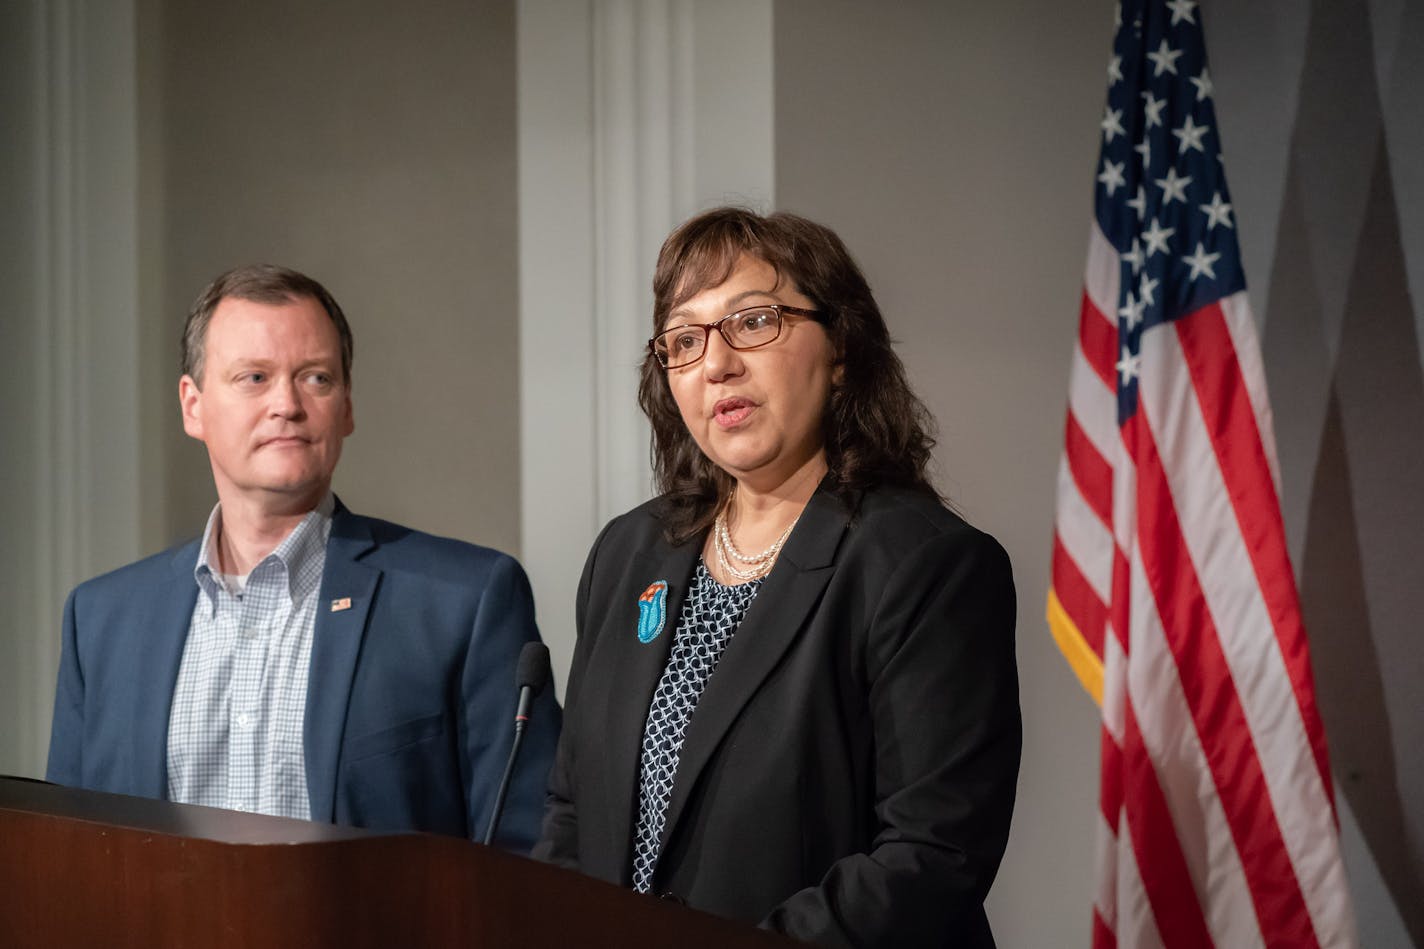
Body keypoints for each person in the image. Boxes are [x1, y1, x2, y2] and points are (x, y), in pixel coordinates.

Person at [534, 208, 1022, 945]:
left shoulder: (922, 564)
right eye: (685, 340)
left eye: (754, 322)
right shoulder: (630, 552)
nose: (716, 363)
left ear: (843, 350)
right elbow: (575, 808)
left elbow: (931, 853)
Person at [46, 264, 558, 851]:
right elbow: (68, 857)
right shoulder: (101, 620)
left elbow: (529, 858)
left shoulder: (464, 601)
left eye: (315, 378)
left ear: (346, 407)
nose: (286, 404)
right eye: (254, 377)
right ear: (193, 406)